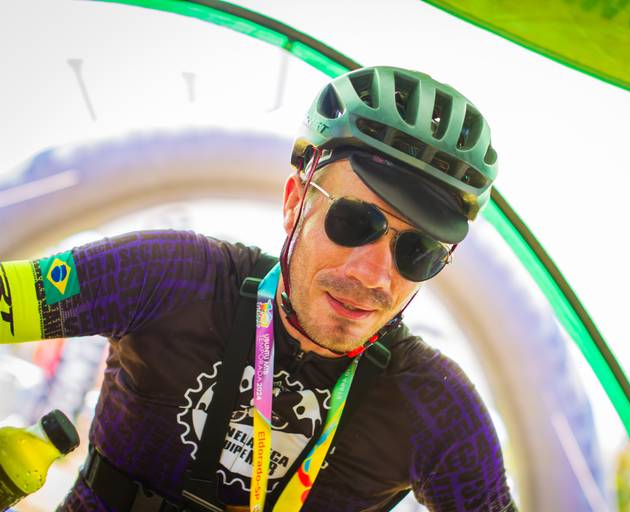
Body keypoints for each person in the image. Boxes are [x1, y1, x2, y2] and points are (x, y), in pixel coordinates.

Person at [0, 66, 516, 511]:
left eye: (417, 252)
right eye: (355, 222)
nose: (374, 275)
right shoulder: (171, 275)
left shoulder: (437, 408)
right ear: (295, 202)